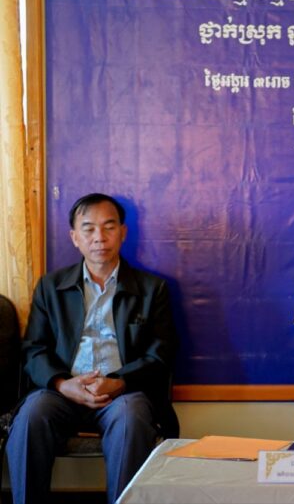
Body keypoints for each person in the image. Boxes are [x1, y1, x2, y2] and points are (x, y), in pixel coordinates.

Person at [7, 193, 178, 504]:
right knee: (31, 414)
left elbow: (160, 354)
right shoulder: (50, 287)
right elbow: (33, 349)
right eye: (88, 229)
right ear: (75, 237)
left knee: (131, 418)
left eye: (109, 227)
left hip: (122, 395)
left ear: (123, 232)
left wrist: (119, 381)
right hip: (62, 393)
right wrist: (63, 383)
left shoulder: (152, 289)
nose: (99, 237)